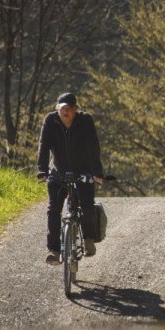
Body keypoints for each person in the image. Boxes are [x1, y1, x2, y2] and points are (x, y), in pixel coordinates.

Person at [36, 92, 104, 265]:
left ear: (75, 109)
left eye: (69, 108)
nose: (65, 112)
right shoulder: (50, 121)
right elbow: (43, 146)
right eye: (62, 108)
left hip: (83, 171)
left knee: (87, 205)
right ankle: (54, 251)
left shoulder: (85, 121)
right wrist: (42, 170)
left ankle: (88, 239)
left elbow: (93, 147)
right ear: (57, 109)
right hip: (58, 172)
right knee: (53, 210)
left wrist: (96, 173)